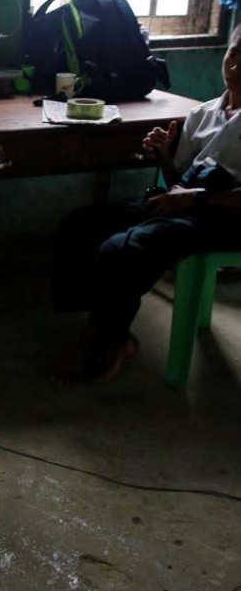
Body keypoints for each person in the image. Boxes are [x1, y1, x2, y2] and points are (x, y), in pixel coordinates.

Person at [52, 24, 241, 382]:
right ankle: (101, 324)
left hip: (226, 216)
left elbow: (193, 195)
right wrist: (164, 157)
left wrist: (198, 196)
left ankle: (111, 340)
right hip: (187, 204)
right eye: (234, 52)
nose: (235, 64)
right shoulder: (203, 114)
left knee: (125, 248)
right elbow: (177, 183)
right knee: (80, 224)